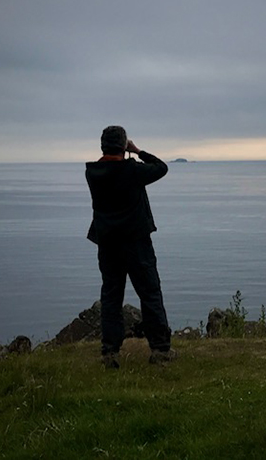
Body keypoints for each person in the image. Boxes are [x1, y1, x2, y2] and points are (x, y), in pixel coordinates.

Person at [85, 125, 175, 368]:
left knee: (111, 297)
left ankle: (110, 353)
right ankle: (160, 351)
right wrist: (138, 151)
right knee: (150, 293)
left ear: (103, 145)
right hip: (136, 243)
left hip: (107, 244)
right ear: (124, 146)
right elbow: (161, 168)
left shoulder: (93, 172)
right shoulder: (132, 170)